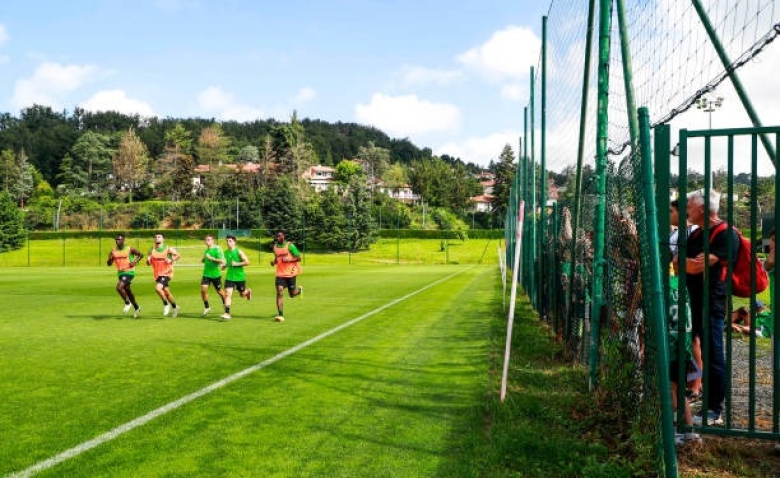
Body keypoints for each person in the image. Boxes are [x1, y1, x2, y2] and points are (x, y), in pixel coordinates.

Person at [676, 189, 736, 426]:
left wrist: (691, 264)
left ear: (702, 208)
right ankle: (704, 397)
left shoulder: (725, 234)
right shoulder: (696, 234)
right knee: (696, 347)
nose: (686, 210)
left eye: (689, 206)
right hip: (694, 300)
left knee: (713, 354)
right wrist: (690, 263)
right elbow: (682, 263)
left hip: (713, 301)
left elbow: (697, 266)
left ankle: (714, 409)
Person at [669, 199, 702, 400]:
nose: (669, 214)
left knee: (694, 339)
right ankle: (690, 382)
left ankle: (696, 385)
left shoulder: (692, 232)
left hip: (691, 290)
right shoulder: (677, 233)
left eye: (671, 211)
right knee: (686, 337)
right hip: (680, 288)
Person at [107, 234, 143, 318]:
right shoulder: (113, 251)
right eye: (116, 239)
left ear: (123, 240)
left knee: (119, 288)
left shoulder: (130, 249)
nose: (117, 241)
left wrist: (134, 262)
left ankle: (127, 303)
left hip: (129, 271)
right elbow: (109, 264)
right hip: (120, 273)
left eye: (119, 239)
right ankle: (137, 307)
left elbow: (141, 255)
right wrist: (110, 259)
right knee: (127, 291)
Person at [147, 233, 182, 317]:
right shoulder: (151, 249)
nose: (157, 238)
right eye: (155, 237)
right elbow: (149, 262)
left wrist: (171, 259)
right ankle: (175, 307)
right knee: (166, 292)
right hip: (157, 274)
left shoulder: (168, 248)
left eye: (159, 237)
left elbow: (178, 255)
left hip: (167, 273)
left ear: (163, 239)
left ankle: (166, 305)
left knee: (158, 288)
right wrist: (148, 261)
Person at [270, 231, 303, 323]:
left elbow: (299, 258)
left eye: (280, 236)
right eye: (276, 236)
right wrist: (273, 262)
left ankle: (299, 291)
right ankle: (280, 315)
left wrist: (290, 260)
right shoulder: (275, 247)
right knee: (279, 291)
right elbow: (277, 259)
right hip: (280, 273)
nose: (278, 238)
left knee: (292, 294)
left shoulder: (290, 246)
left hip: (291, 272)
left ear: (284, 236)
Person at [221, 235, 251, 321]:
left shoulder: (239, 251)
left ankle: (247, 292)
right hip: (230, 277)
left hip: (239, 277)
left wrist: (237, 264)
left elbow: (247, 262)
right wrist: (224, 266)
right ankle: (227, 313)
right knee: (228, 294)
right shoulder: (226, 252)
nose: (228, 242)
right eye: (227, 241)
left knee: (242, 294)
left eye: (230, 241)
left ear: (234, 242)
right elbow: (227, 264)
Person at [201, 234, 226, 316]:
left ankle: (225, 303)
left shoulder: (217, 250)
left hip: (215, 275)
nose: (206, 241)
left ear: (213, 241)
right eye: (206, 240)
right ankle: (207, 307)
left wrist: (211, 258)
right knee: (203, 290)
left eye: (208, 240)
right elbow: (206, 259)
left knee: (220, 291)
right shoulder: (206, 251)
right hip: (206, 274)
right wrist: (204, 259)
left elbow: (221, 261)